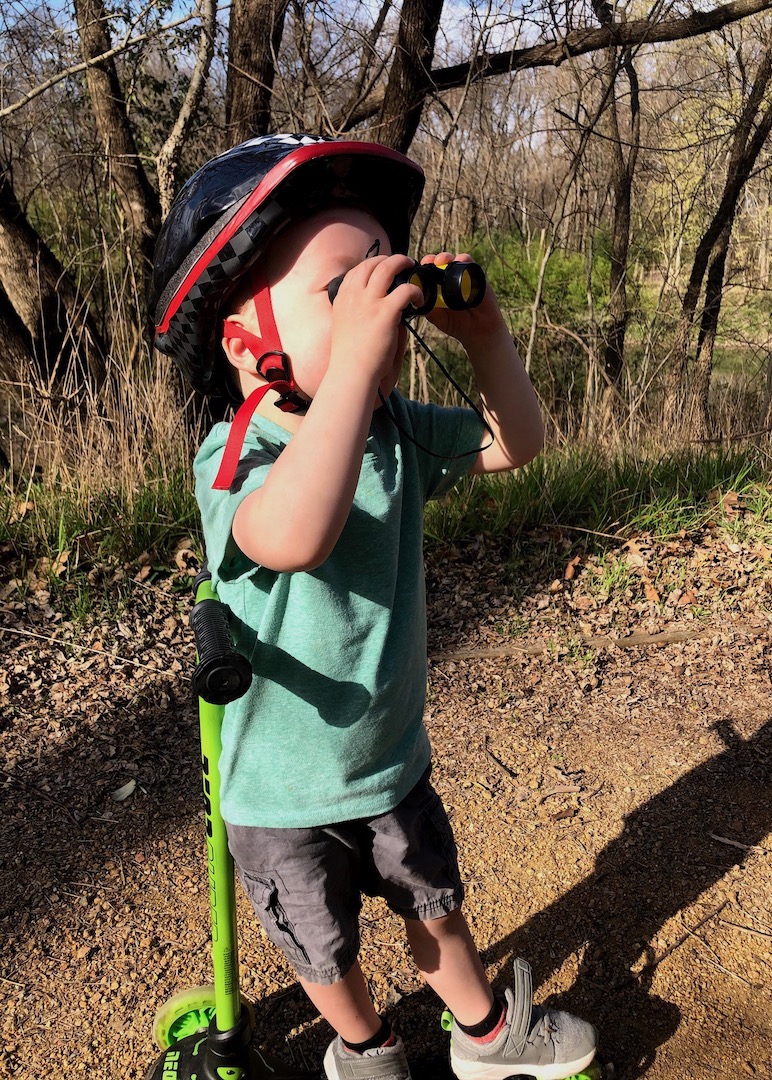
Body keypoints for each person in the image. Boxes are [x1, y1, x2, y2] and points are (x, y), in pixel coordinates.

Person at [149, 133, 598, 1080]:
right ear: (243, 343)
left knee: (434, 901)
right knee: (325, 946)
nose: (380, 313)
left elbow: (515, 444)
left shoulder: (390, 425)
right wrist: (354, 366)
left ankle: (485, 1037)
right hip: (280, 788)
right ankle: (364, 1048)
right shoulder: (237, 456)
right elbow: (293, 535)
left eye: (385, 285)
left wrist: (486, 338)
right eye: (342, 293)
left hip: (387, 756)